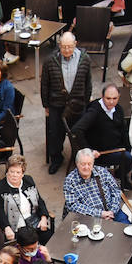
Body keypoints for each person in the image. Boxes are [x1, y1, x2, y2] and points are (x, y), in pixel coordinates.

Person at [42, 33, 94, 174]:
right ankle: (56, 159)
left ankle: (78, 160)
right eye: (64, 47)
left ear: (75, 44)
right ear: (59, 46)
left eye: (69, 47)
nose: (66, 50)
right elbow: (45, 84)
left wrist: (86, 102)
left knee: (78, 133)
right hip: (56, 104)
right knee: (55, 134)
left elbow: (88, 83)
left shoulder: (85, 59)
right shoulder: (50, 61)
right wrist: (45, 104)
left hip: (77, 103)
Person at [0, 154, 50, 245]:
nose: (14, 175)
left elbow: (39, 200)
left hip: (34, 222)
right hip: (16, 228)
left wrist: (44, 217)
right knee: (27, 248)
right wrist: (6, 227)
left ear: (23, 173)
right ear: (7, 171)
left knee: (50, 241)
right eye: (12, 171)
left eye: (18, 172)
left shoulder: (28, 180)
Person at [71, 85, 132, 173]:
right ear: (102, 97)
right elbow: (76, 130)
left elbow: (124, 131)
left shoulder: (118, 109)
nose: (111, 102)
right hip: (102, 153)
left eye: (115, 98)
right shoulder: (94, 111)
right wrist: (89, 151)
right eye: (108, 98)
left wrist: (130, 148)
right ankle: (120, 175)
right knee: (130, 158)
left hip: (117, 146)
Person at [62, 149, 127, 221]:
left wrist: (112, 212)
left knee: (126, 229)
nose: (86, 167)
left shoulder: (102, 172)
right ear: (77, 164)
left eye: (89, 164)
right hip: (87, 218)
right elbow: (73, 206)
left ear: (93, 163)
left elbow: (116, 190)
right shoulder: (70, 181)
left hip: (112, 212)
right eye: (83, 164)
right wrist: (101, 214)